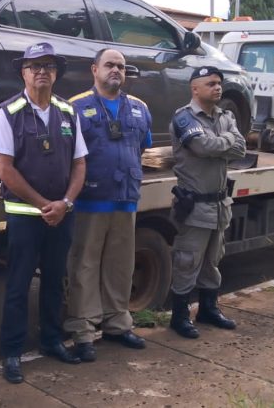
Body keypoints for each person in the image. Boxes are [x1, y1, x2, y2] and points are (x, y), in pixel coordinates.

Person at [0, 42, 88, 384]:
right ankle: (12, 353)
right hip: (25, 216)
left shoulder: (67, 112)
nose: (41, 71)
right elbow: (4, 169)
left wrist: (66, 203)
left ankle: (52, 341)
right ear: (23, 72)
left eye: (48, 66)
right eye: (35, 66)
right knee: (17, 285)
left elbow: (79, 163)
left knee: (54, 282)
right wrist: (42, 204)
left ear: (56, 73)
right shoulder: (9, 112)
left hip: (61, 214)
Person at [65, 48, 152, 362]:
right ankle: (84, 331)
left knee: (120, 265)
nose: (116, 70)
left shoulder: (140, 109)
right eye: (110, 65)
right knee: (84, 266)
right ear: (94, 70)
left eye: (121, 66)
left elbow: (141, 147)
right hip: (90, 201)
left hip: (125, 200)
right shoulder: (76, 107)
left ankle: (117, 323)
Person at [168, 65, 246, 339]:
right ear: (195, 88)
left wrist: (217, 142)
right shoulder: (184, 118)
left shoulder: (225, 116)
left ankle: (208, 309)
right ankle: (179, 317)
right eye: (211, 83)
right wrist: (223, 143)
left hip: (219, 204)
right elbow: (201, 147)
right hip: (195, 206)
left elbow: (241, 148)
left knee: (213, 261)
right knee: (188, 261)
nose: (218, 87)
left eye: (219, 83)